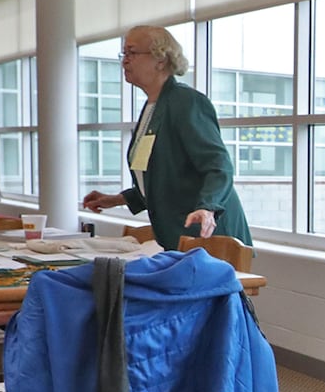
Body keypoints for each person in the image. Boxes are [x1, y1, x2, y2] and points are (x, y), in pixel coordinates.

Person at [80, 26, 252, 251]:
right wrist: (116, 200)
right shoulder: (153, 107)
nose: (125, 61)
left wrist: (208, 207)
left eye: (132, 53)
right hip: (177, 235)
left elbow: (218, 166)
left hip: (207, 234)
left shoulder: (185, 102)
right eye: (124, 54)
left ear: (160, 59)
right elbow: (165, 179)